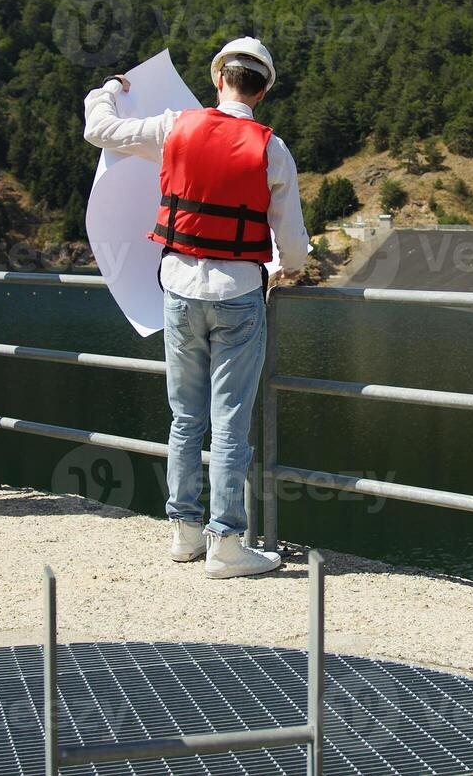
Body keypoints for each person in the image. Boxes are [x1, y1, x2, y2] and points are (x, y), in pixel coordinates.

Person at [83, 38, 309, 578]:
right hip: (239, 294)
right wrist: (289, 265)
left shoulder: (175, 126)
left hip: (179, 290)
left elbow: (99, 129)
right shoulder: (272, 150)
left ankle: (183, 533)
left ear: (218, 80)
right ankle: (226, 544)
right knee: (230, 424)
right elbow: (294, 246)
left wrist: (111, 88)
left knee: (185, 417)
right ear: (263, 91)